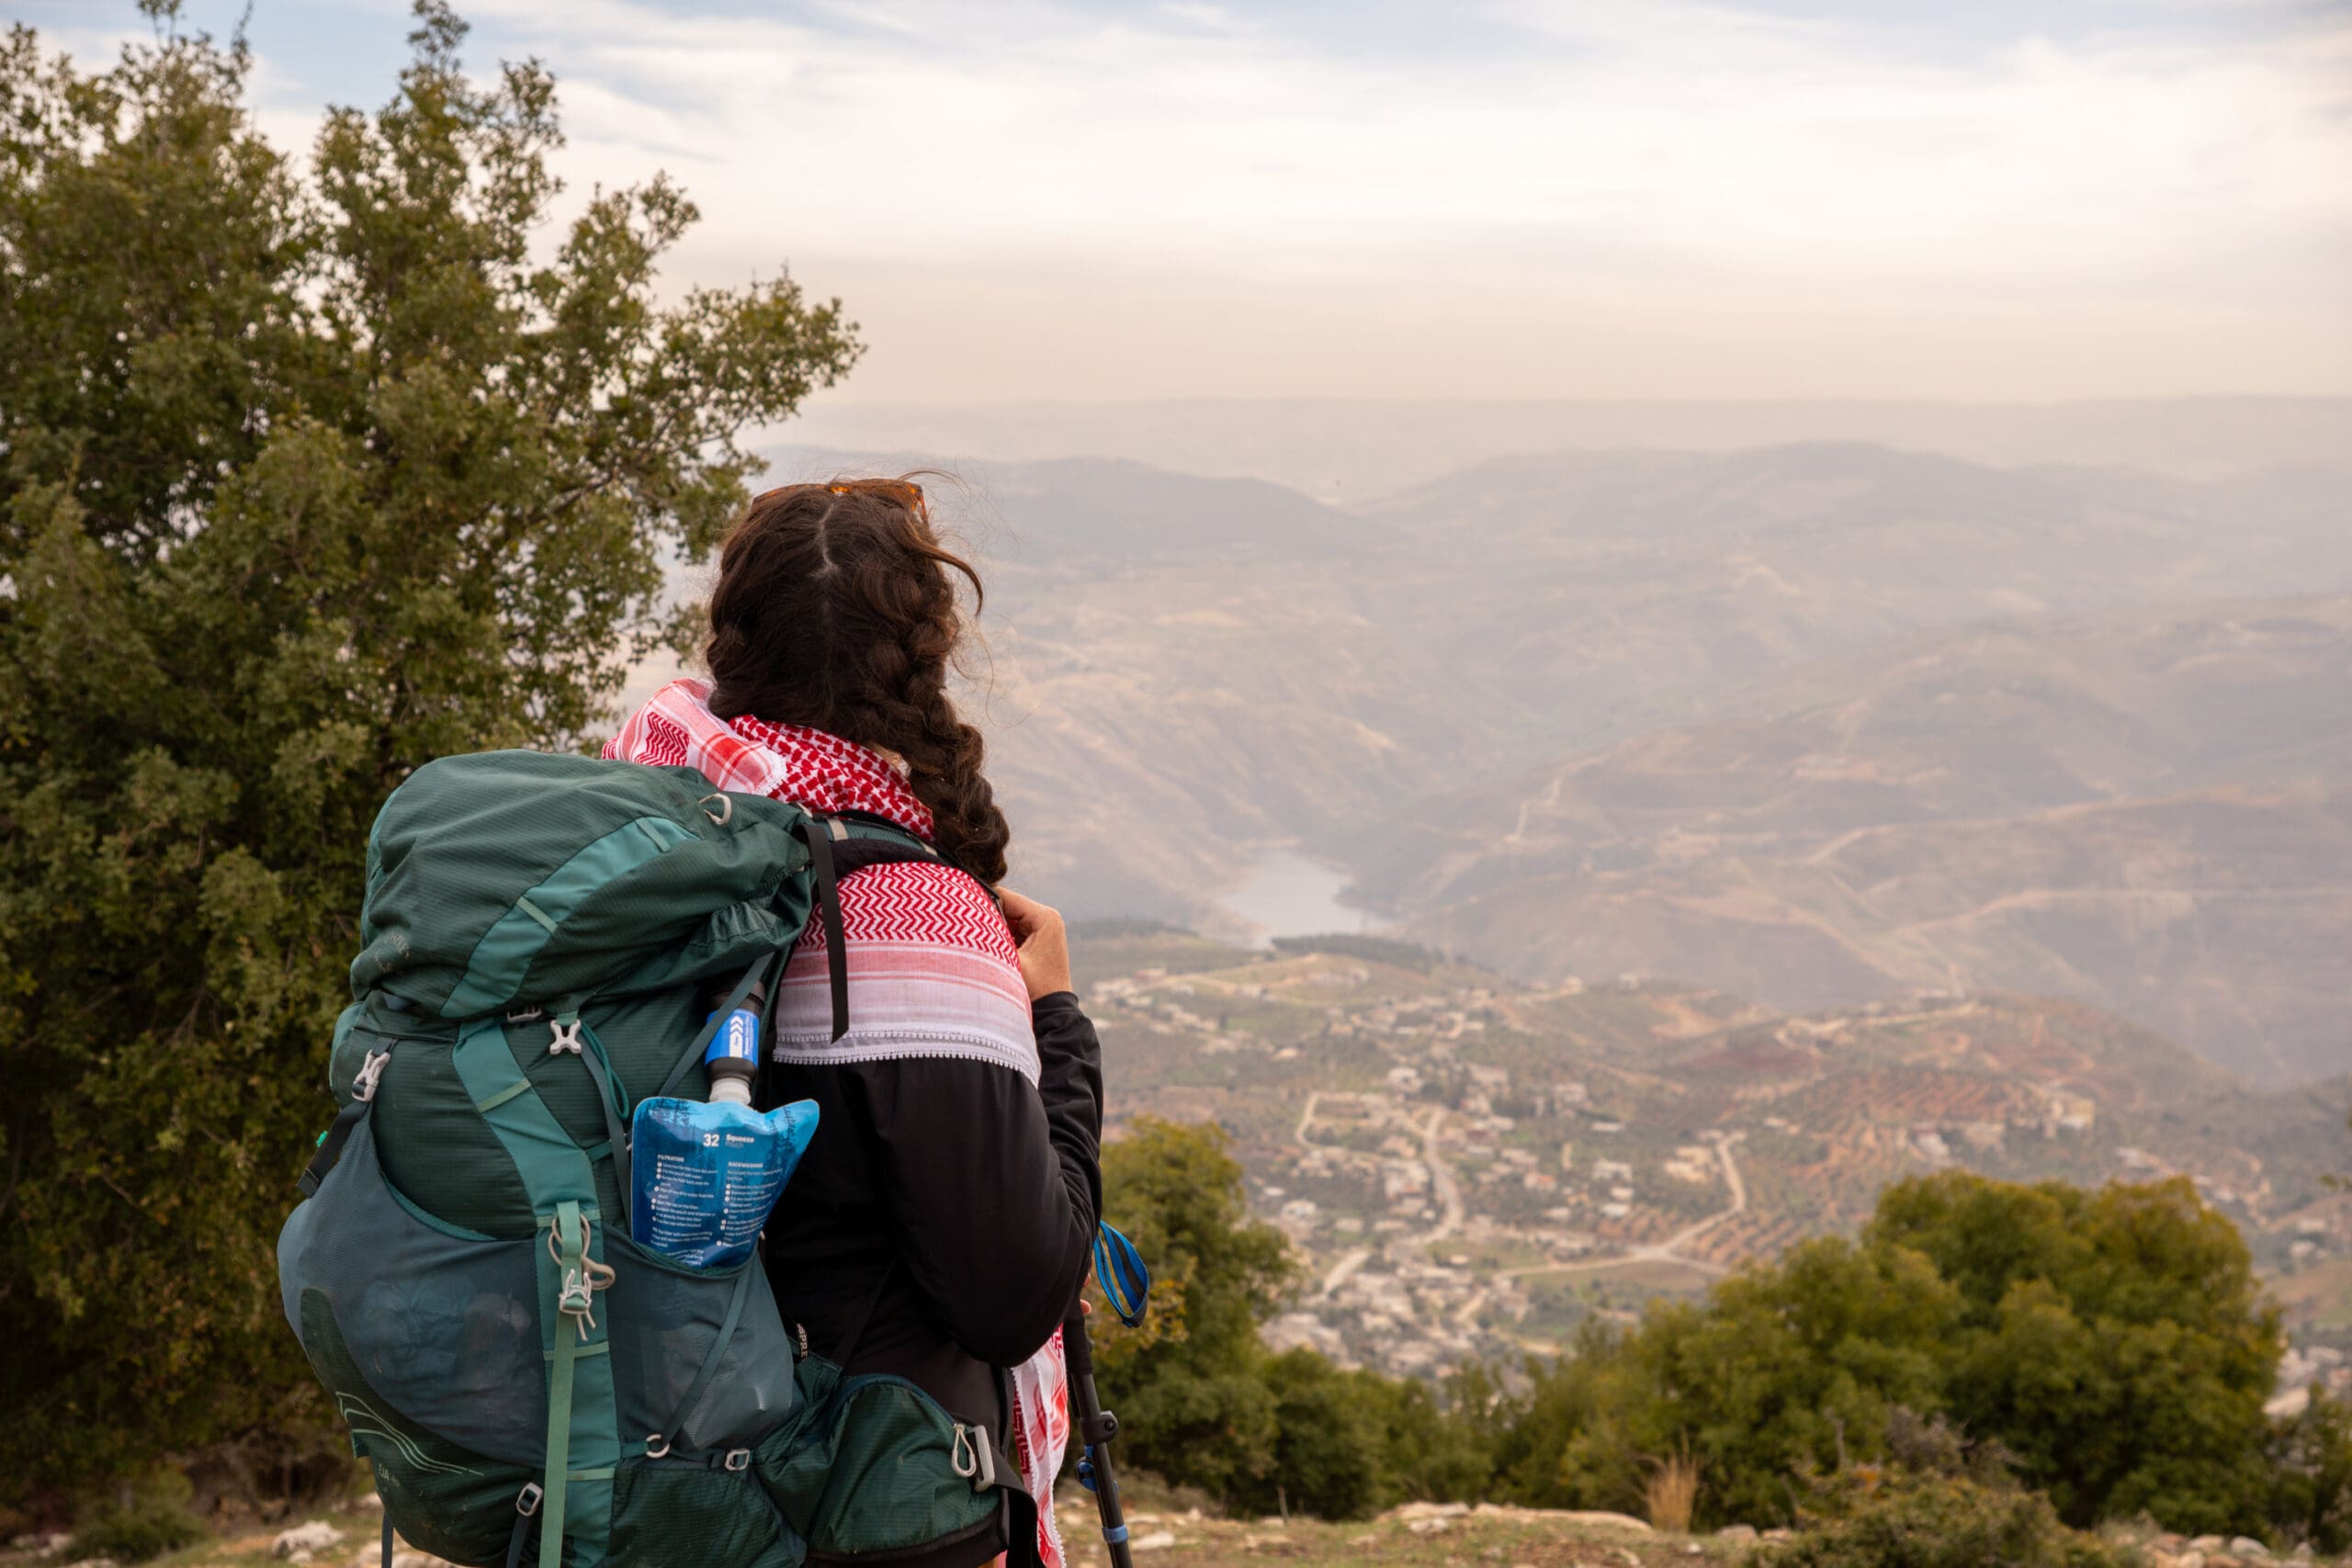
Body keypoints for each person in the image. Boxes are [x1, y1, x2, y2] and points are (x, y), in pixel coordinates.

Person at [604, 479, 1102, 1568]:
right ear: (922, 659)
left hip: (637, 1484)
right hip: (858, 1502)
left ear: (734, 642)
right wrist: (1055, 1022)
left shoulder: (634, 840)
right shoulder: (912, 913)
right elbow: (1015, 1292)